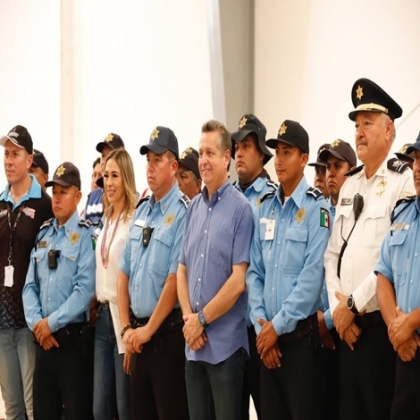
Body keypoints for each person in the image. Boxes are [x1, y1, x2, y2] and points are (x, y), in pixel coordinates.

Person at [324, 78, 415, 420]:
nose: (359, 132)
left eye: (368, 124)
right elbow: (333, 255)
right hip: (346, 331)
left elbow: (389, 259)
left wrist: (351, 305)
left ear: (389, 130)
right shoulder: (350, 184)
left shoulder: (402, 180)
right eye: (356, 125)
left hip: (377, 328)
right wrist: (338, 310)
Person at [246, 119, 330, 420]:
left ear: (304, 158)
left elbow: (311, 281)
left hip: (299, 346)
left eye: (287, 152)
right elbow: (254, 272)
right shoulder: (265, 207)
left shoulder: (317, 209)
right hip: (267, 343)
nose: (279, 160)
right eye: (277, 152)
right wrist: (261, 328)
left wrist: (275, 328)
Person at [177, 119, 254, 420]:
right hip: (193, 344)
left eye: (210, 153)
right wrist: (189, 321)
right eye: (200, 152)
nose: (203, 160)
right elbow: (182, 269)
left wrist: (202, 319)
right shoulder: (193, 207)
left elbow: (238, 281)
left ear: (227, 158)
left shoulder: (241, 209)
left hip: (224, 347)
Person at [117, 126, 189, 420]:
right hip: (138, 338)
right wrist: (127, 330)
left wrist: (147, 331)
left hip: (166, 338)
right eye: (148, 160)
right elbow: (123, 274)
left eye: (157, 160)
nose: (150, 166)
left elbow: (174, 280)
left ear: (174, 167)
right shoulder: (142, 210)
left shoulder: (185, 211)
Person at [22, 161, 95, 420]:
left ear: (77, 196)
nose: (57, 198)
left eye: (64, 192)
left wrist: (50, 324)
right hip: (43, 341)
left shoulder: (86, 236)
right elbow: (29, 286)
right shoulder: (43, 235)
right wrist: (37, 324)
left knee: (77, 413)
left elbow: (84, 290)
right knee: (43, 413)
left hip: (70, 342)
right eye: (54, 192)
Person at [0, 125, 53, 420]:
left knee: (35, 407)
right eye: (6, 154)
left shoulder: (44, 204)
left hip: (30, 324)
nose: (8, 161)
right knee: (12, 409)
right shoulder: (0, 202)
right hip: (2, 323)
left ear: (29, 159)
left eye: (15, 154)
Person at [230, 113, 276, 420]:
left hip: (261, 328)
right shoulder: (225, 198)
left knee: (268, 409)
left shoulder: (274, 199)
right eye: (236, 146)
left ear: (261, 153)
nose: (239, 153)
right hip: (228, 329)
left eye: (247, 146)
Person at [375, 135, 420, 419]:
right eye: (416, 160)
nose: (417, 168)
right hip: (407, 353)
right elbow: (383, 275)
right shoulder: (402, 213)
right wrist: (396, 329)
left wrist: (411, 322)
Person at [93, 149, 137, 420]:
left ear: (126, 179)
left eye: (115, 176)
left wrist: (128, 327)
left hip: (123, 317)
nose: (108, 183)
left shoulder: (134, 220)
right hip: (101, 319)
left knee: (124, 406)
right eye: (105, 176)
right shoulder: (106, 219)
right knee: (99, 408)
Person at [316, 139, 357, 420]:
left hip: (348, 323)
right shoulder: (318, 213)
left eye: (337, 166)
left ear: (352, 171)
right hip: (318, 331)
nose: (330, 173)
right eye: (327, 167)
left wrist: (330, 318)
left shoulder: (358, 211)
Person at [84, 133, 125, 225]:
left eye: (110, 155)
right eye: (103, 156)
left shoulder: (132, 199)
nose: (104, 161)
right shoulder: (92, 198)